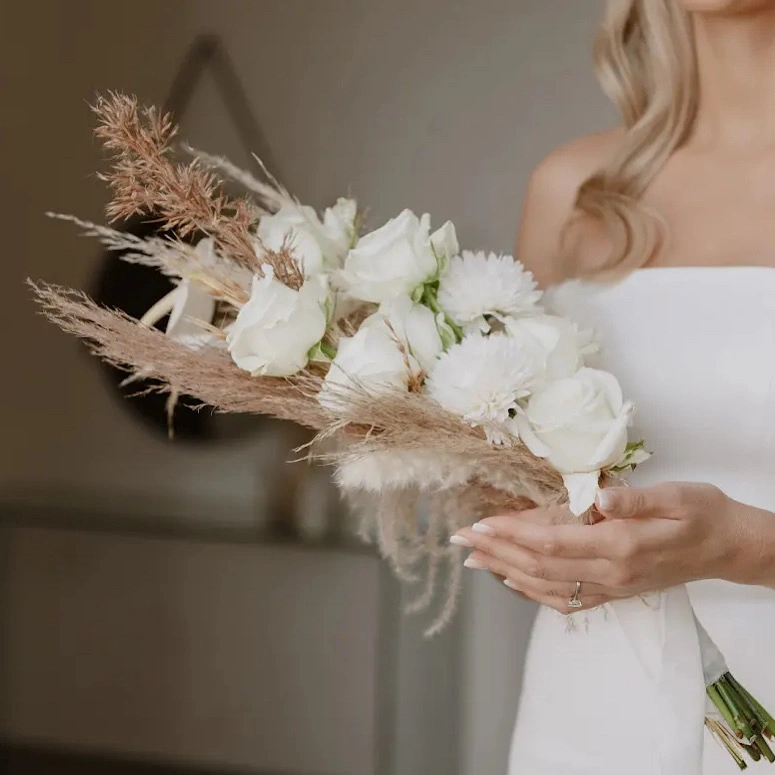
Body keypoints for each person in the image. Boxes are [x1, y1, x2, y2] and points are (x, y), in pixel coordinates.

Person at [451, 1, 775, 773]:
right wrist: (525, 541)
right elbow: (517, 493)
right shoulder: (573, 190)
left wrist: (743, 546)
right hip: (592, 719)